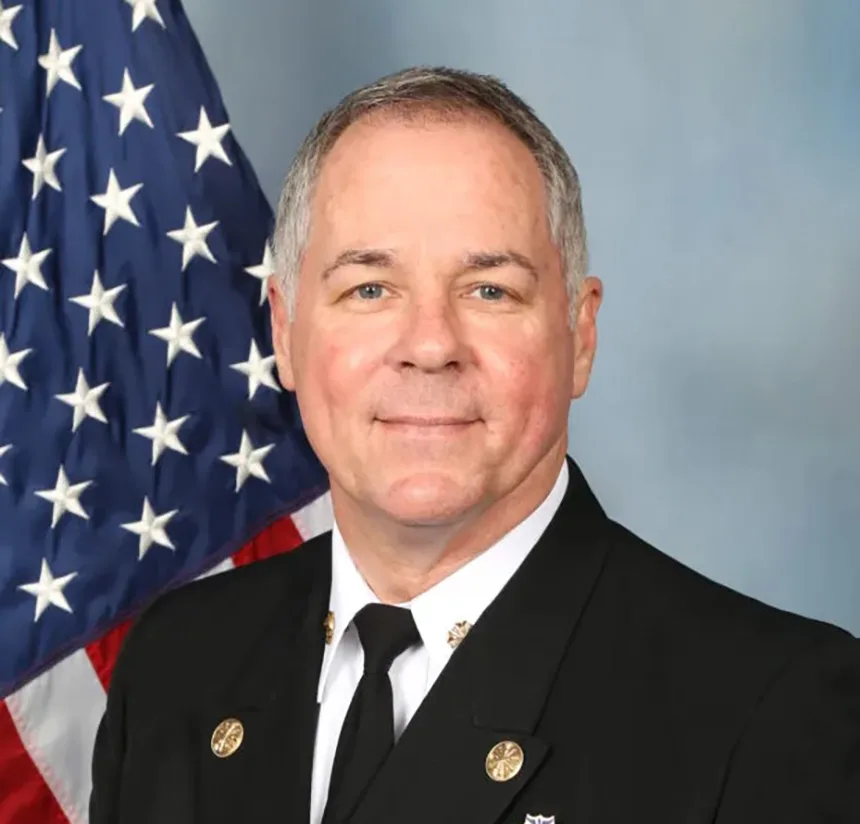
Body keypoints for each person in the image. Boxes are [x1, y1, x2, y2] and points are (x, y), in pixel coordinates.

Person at [89, 66, 860, 824]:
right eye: (369, 289)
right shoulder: (176, 666)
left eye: (490, 290)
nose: (430, 345)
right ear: (285, 333)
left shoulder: (768, 708)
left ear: (580, 334)